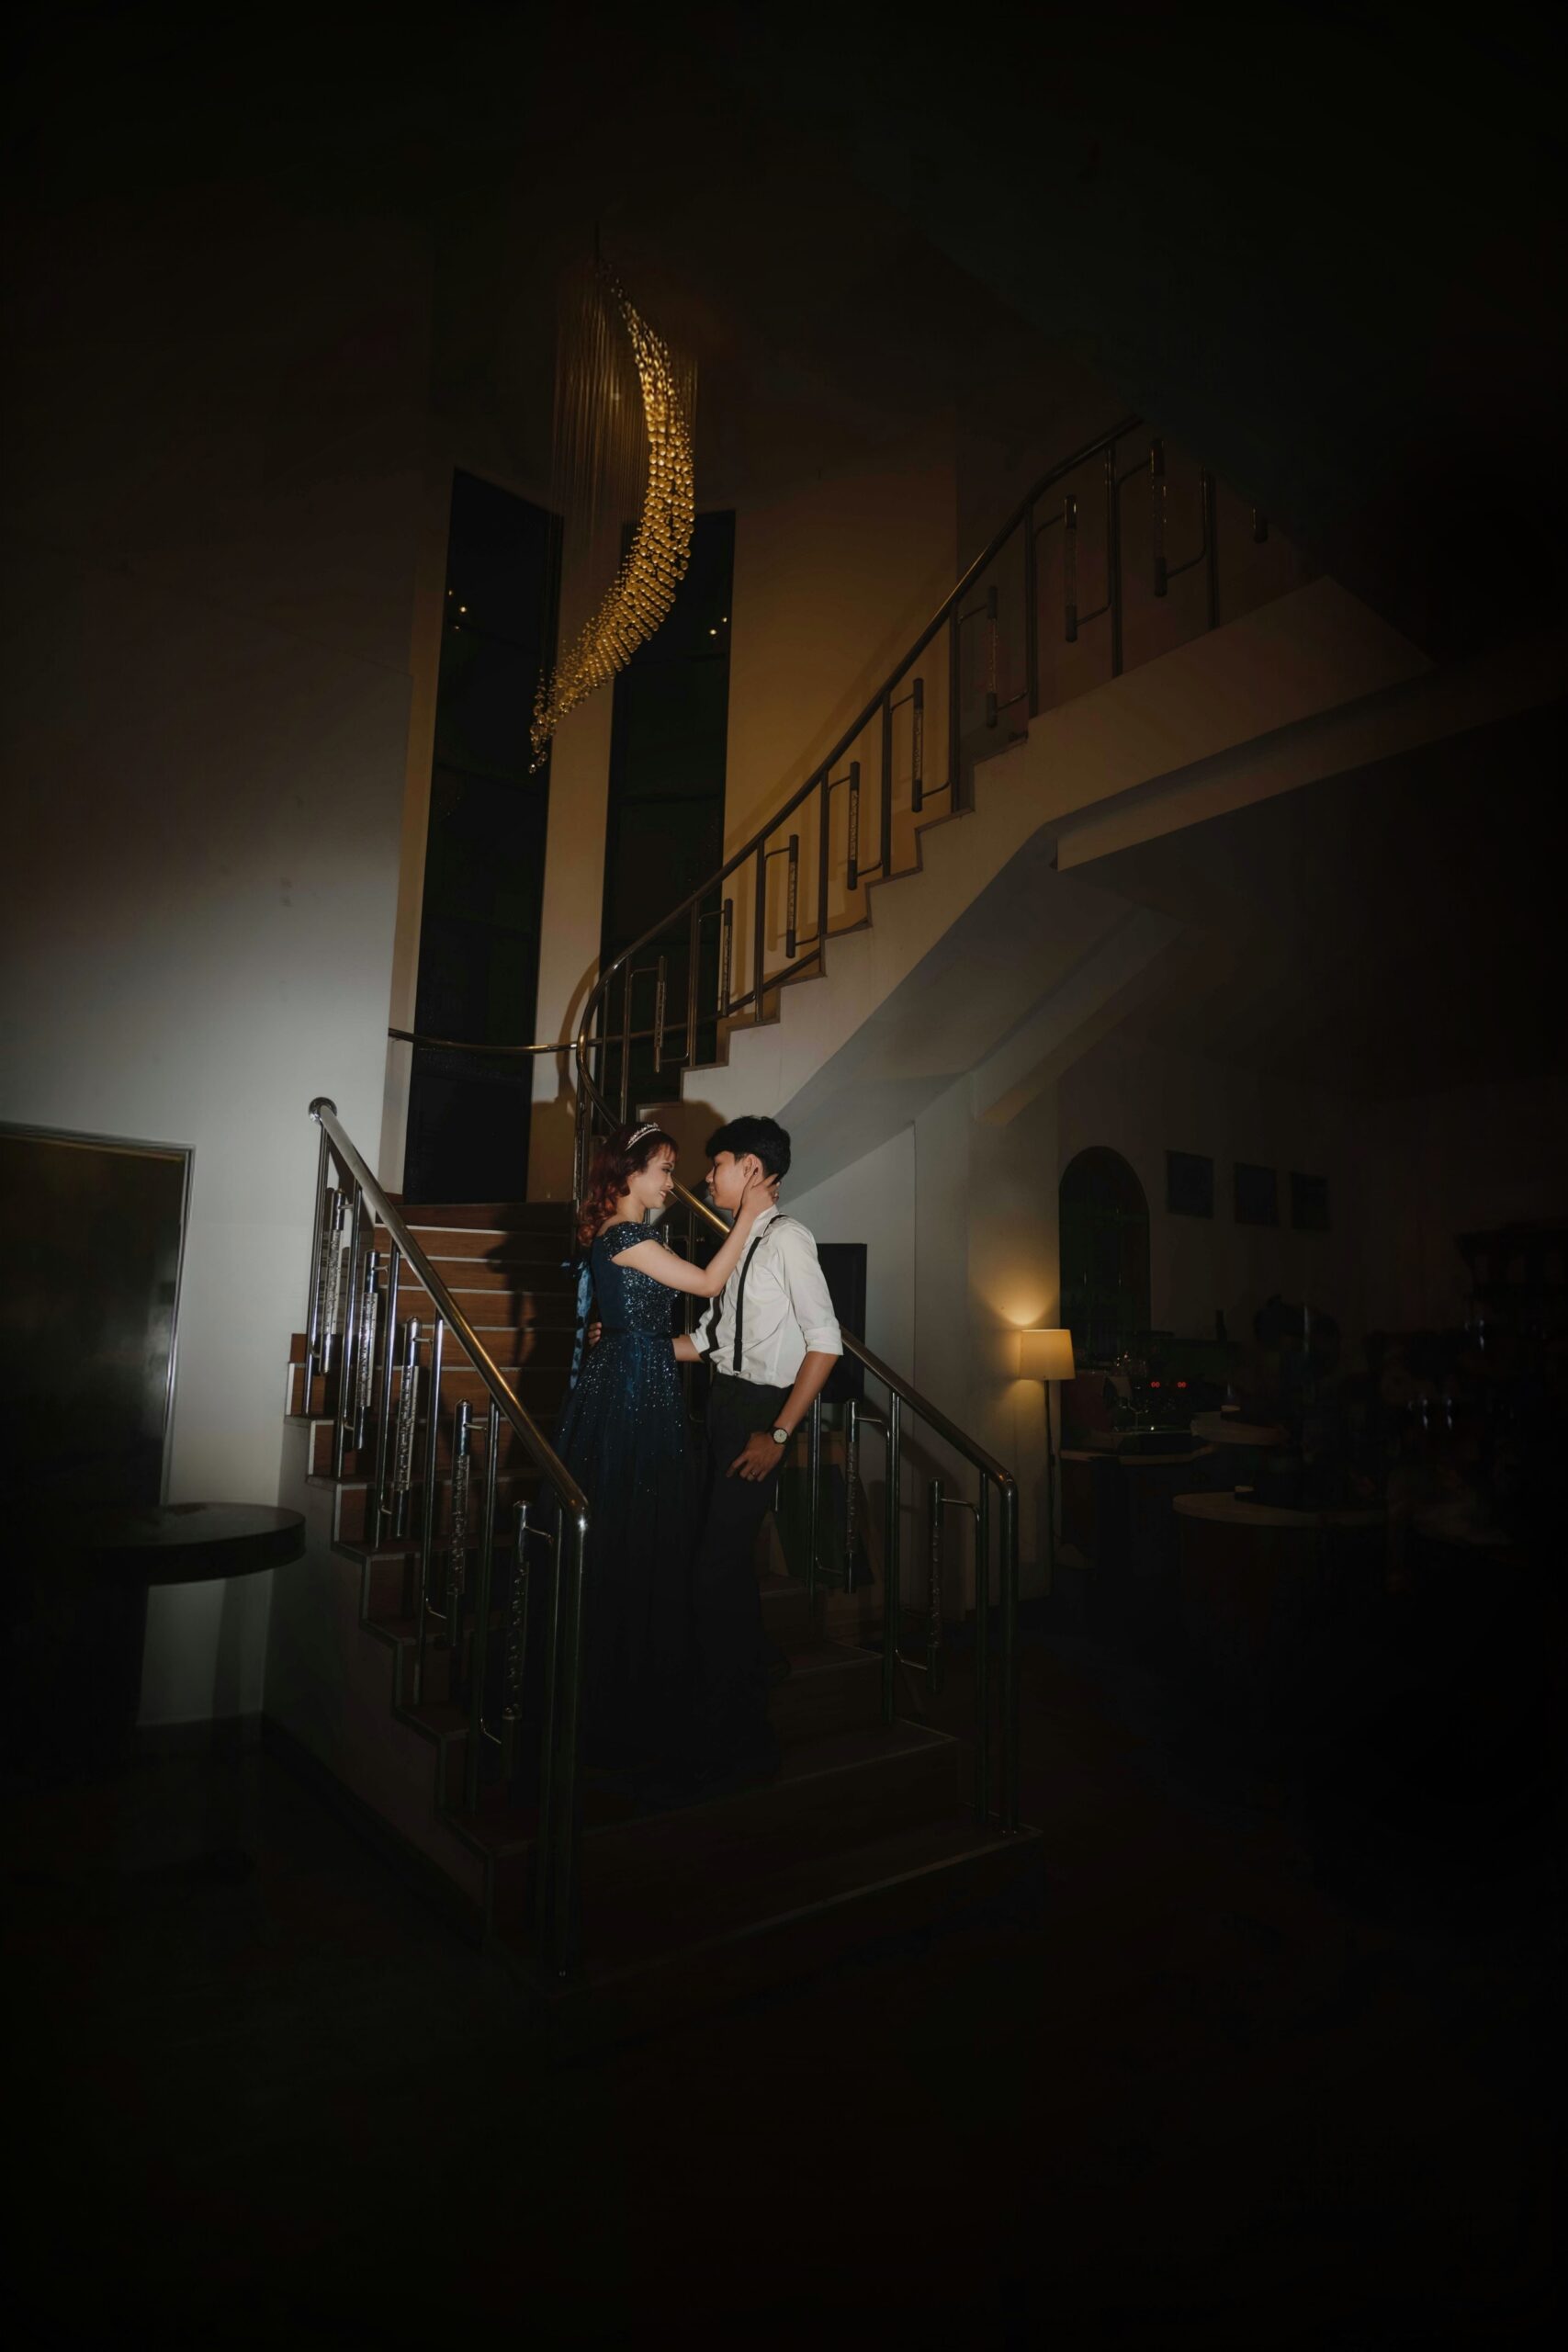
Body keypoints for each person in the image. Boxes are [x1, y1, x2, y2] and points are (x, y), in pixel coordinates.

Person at [556, 1121, 773, 1767]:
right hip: (632, 1383)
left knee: (638, 1514)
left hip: (638, 1371)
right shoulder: (627, 1234)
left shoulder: (626, 1234)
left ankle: (635, 1669)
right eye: (664, 1169)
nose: (672, 1183)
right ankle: (624, 1682)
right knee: (634, 1512)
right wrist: (748, 1216)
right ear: (628, 1174)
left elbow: (635, 1317)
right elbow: (707, 1285)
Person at [667, 1114, 842, 1793]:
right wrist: (634, 1347)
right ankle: (750, 1675)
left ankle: (742, 1738)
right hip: (721, 1407)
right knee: (721, 1562)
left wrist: (779, 1435)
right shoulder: (737, 1239)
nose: (707, 1177)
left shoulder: (789, 1239)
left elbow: (824, 1342)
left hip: (761, 1417)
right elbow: (709, 1341)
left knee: (713, 1570)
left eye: (717, 1165)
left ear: (750, 1168)